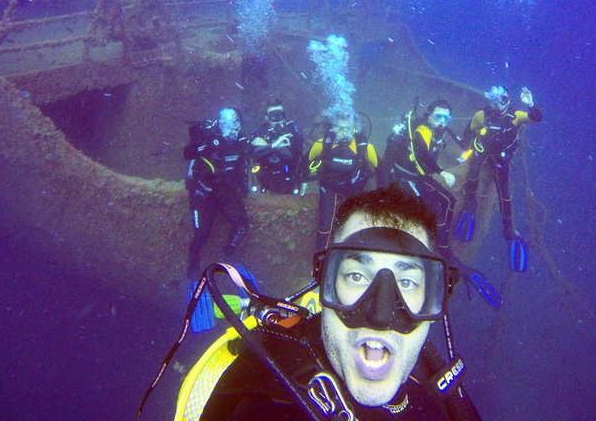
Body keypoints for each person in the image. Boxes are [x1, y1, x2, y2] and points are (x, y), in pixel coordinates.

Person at [200, 185, 483, 421]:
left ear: (435, 296)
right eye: (357, 276)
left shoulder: (432, 377)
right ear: (325, 281)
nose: (381, 316)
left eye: (407, 283)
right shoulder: (268, 399)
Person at [454, 87, 543, 270]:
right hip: (482, 154)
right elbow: (469, 132)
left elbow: (536, 118)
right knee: (473, 176)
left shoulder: (516, 116)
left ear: (507, 100)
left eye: (502, 100)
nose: (499, 104)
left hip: (501, 159)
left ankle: (508, 227)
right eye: (496, 101)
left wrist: (531, 104)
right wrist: (466, 150)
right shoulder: (482, 115)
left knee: (504, 192)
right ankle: (470, 205)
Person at [183, 107, 250, 278]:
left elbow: (243, 164)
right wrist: (204, 147)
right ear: (220, 125)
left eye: (236, 126)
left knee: (242, 226)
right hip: (203, 193)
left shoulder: (241, 141)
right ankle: (193, 264)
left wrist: (243, 186)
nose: (232, 131)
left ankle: (228, 255)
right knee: (202, 234)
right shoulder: (209, 137)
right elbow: (187, 153)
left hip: (225, 192)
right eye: (228, 126)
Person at [386, 99, 457, 254]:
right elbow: (424, 155)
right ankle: (435, 248)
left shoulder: (437, 131)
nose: (442, 122)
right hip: (406, 176)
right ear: (429, 115)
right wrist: (442, 172)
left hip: (421, 176)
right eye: (438, 117)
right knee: (434, 209)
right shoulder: (423, 130)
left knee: (450, 201)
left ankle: (441, 240)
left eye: (446, 118)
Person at [306, 110, 378, 251]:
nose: (344, 133)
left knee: (355, 225)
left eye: (348, 129)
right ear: (333, 128)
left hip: (354, 189)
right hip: (329, 188)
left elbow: (379, 168)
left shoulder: (364, 148)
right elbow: (304, 163)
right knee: (325, 226)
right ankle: (321, 258)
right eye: (340, 129)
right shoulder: (323, 144)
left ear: (354, 129)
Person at [250, 97, 304, 195]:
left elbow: (297, 151)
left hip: (289, 176)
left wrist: (267, 146)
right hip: (266, 178)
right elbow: (252, 152)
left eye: (280, 115)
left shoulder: (292, 128)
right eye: (273, 116)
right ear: (266, 117)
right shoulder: (260, 131)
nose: (278, 119)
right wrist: (276, 145)